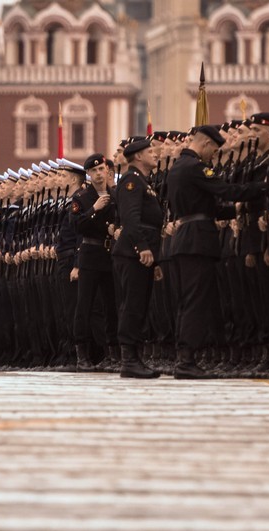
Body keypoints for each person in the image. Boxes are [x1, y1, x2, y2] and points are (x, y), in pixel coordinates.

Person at [165, 125, 266, 379]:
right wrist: (263, 188)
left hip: (185, 238)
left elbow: (211, 207)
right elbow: (225, 191)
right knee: (197, 301)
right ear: (207, 144)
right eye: (213, 150)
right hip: (198, 240)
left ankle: (184, 355)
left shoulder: (178, 167)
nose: (213, 156)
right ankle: (187, 360)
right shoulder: (195, 167)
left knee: (188, 300)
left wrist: (238, 210)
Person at [113, 137, 163, 379]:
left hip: (143, 255)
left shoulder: (144, 181)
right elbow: (130, 219)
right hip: (133, 255)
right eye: (150, 151)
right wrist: (142, 248)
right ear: (139, 157)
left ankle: (135, 358)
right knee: (132, 306)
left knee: (140, 306)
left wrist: (155, 259)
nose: (156, 154)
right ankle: (129, 360)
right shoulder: (132, 181)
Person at [71, 152, 119, 372]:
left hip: (110, 255)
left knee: (111, 305)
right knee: (85, 306)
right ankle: (82, 353)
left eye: (102, 169)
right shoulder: (82, 198)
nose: (99, 174)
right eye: (94, 171)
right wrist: (94, 210)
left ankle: (113, 353)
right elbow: (78, 226)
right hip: (90, 254)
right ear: (88, 174)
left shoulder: (115, 194)